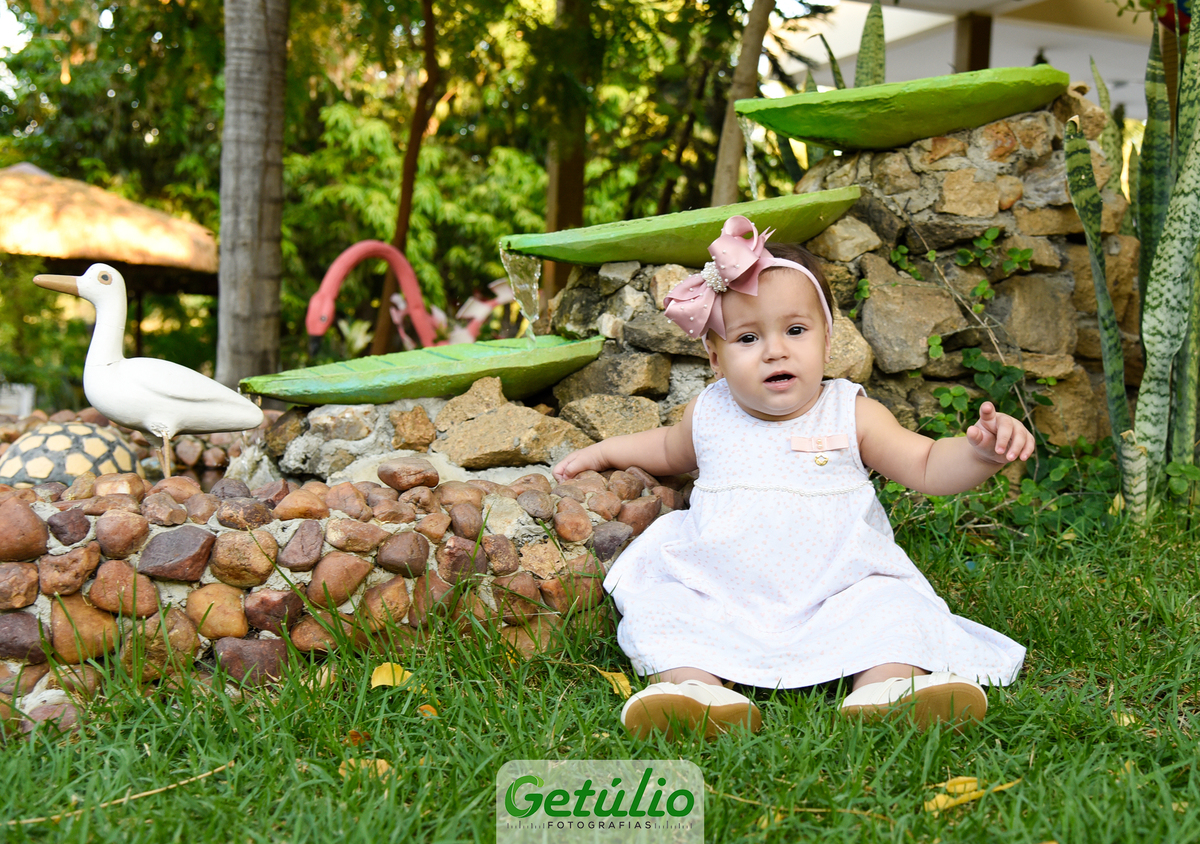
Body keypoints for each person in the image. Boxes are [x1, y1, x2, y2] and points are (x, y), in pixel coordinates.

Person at [552, 215, 1033, 739]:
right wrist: (603, 451)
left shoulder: (850, 413)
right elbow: (666, 449)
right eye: (748, 337)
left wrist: (980, 452)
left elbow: (926, 464)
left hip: (839, 590)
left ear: (827, 342)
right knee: (664, 604)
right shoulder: (709, 413)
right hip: (721, 591)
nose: (775, 350)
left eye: (796, 330)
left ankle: (889, 686)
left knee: (893, 606)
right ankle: (695, 690)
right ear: (715, 358)